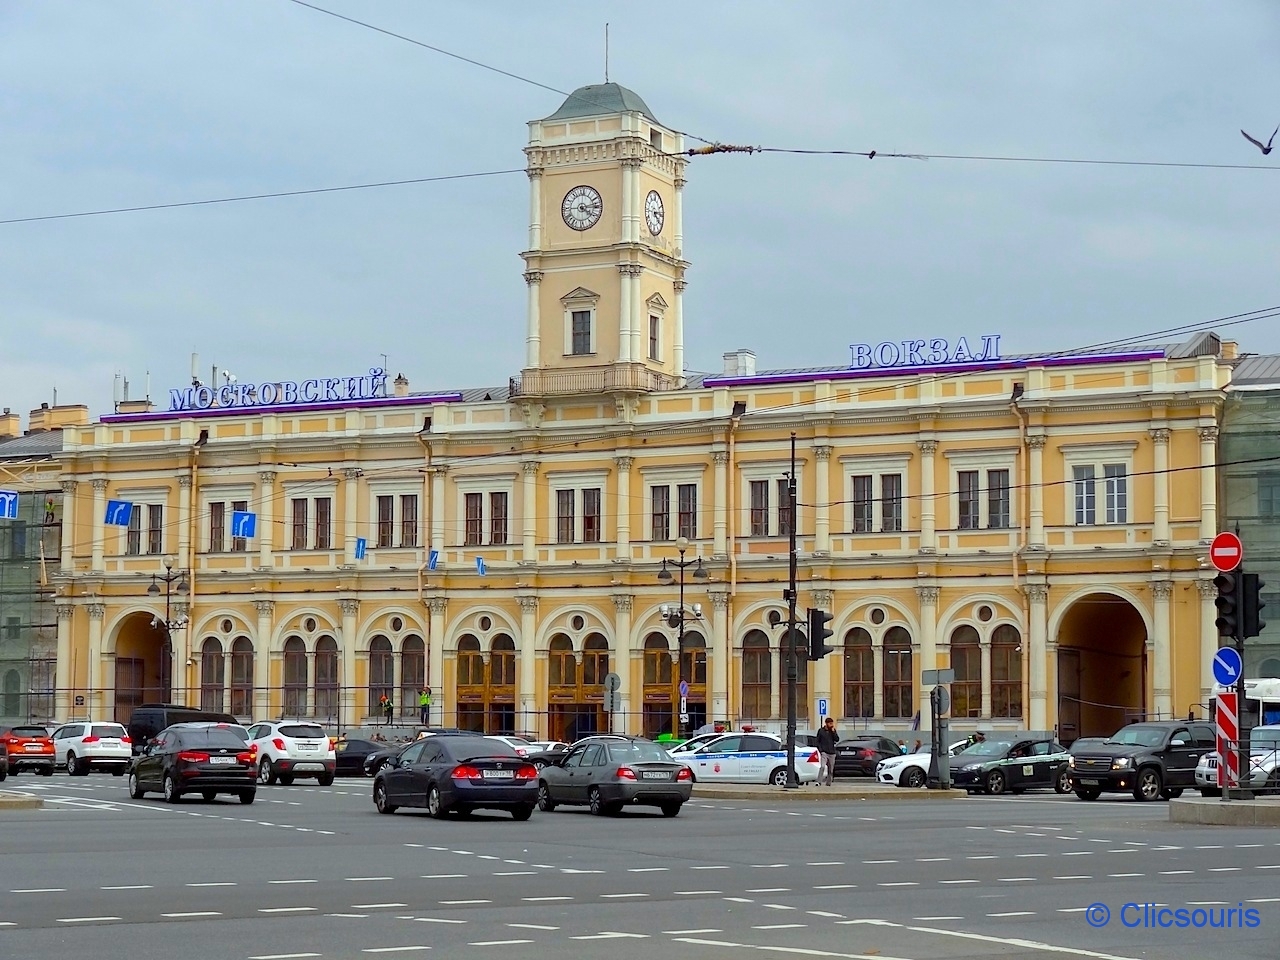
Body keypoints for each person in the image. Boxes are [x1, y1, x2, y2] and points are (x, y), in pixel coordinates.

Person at [816, 717, 839, 786]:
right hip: (824, 752)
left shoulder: (832, 731)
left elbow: (837, 739)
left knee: (831, 769)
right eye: (830, 723)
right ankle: (819, 781)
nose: (831, 725)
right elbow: (817, 741)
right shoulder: (821, 731)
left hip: (832, 752)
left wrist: (833, 732)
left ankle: (828, 782)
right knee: (822, 766)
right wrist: (821, 750)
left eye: (832, 723)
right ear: (826, 723)